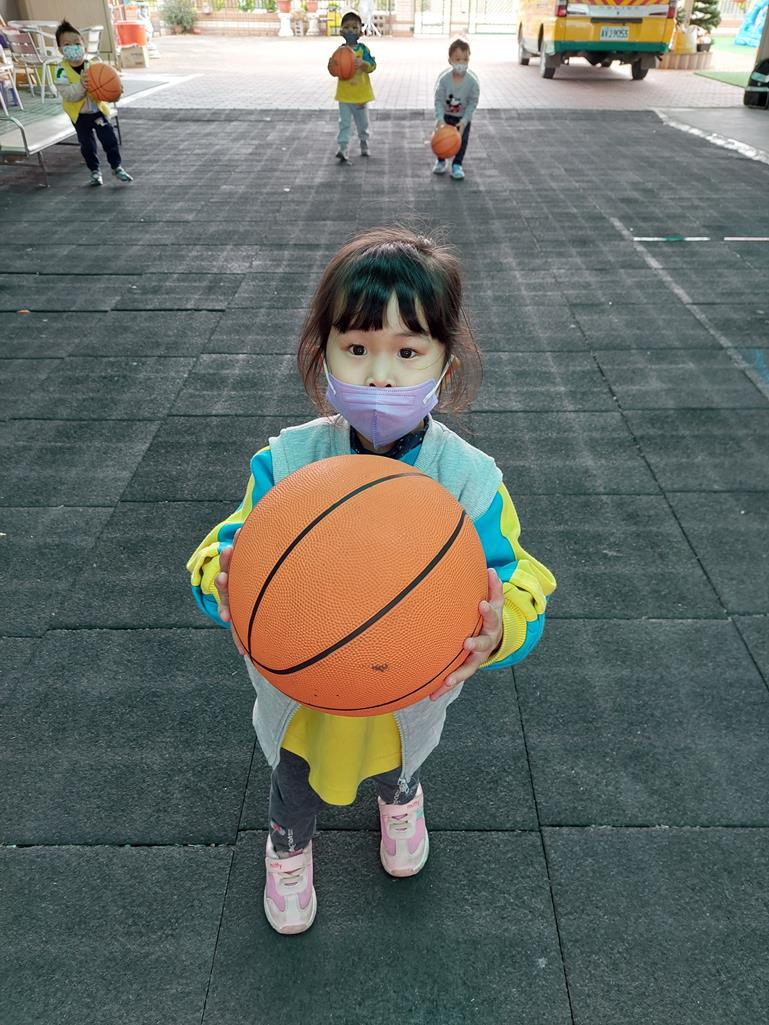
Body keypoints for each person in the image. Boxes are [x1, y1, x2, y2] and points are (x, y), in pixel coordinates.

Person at [187, 226, 556, 935]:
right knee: (294, 780)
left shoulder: (469, 480)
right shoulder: (287, 463)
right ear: (321, 352)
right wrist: (225, 585)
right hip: (303, 693)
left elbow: (519, 581)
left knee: (399, 759)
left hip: (407, 691)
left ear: (446, 363)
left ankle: (401, 800)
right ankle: (288, 849)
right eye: (356, 348)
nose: (379, 375)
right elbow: (222, 548)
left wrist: (499, 628)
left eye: (407, 352)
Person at [53, 19, 133, 187]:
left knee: (109, 139)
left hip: (97, 112)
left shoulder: (94, 65)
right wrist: (82, 85)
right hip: (79, 116)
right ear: (60, 49)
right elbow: (68, 95)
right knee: (87, 146)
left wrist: (115, 93)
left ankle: (116, 167)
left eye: (77, 43)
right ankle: (94, 171)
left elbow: (107, 87)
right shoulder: (60, 71)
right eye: (67, 44)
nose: (73, 47)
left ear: (83, 44)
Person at [328, 9, 376, 162]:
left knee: (362, 123)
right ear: (341, 31)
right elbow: (333, 71)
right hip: (344, 96)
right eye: (347, 27)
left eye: (354, 27)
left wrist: (364, 64)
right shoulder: (339, 52)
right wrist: (331, 66)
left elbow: (373, 66)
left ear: (360, 32)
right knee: (344, 123)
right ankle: (343, 148)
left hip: (360, 95)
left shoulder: (363, 50)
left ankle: (364, 141)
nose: (350, 31)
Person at [433, 38, 479, 181]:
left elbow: (472, 103)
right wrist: (440, 119)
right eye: (458, 59)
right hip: (446, 116)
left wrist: (465, 121)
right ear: (450, 60)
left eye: (465, 60)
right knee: (441, 138)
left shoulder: (472, 83)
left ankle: (457, 165)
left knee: (461, 141)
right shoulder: (444, 81)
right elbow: (439, 100)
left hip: (462, 118)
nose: (461, 63)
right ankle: (441, 161)